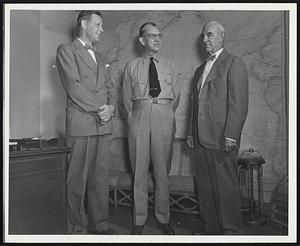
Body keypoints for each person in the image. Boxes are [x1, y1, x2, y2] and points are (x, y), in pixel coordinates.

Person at [56, 11, 118, 235]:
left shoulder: (102, 58)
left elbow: (111, 88)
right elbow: (74, 87)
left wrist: (111, 108)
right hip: (81, 124)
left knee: (100, 181)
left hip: (103, 125)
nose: (102, 29)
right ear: (84, 24)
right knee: (76, 183)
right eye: (98, 24)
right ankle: (76, 230)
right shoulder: (66, 50)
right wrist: (100, 108)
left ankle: (99, 227)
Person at [187, 21, 249, 235]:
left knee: (225, 187)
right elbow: (194, 105)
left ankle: (231, 231)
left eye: (210, 35)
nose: (205, 39)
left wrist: (231, 136)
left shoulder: (234, 63)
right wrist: (190, 133)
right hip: (200, 139)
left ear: (222, 36)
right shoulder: (200, 69)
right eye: (204, 36)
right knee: (205, 187)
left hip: (222, 137)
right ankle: (211, 228)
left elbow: (238, 104)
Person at [122, 22, 180, 235]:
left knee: (162, 172)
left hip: (164, 115)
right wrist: (137, 116)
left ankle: (163, 218)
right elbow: (126, 100)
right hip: (139, 116)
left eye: (159, 36)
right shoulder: (131, 66)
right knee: (139, 172)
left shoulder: (171, 65)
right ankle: (139, 220)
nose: (157, 39)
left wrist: (163, 112)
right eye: (152, 36)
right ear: (142, 40)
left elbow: (177, 98)